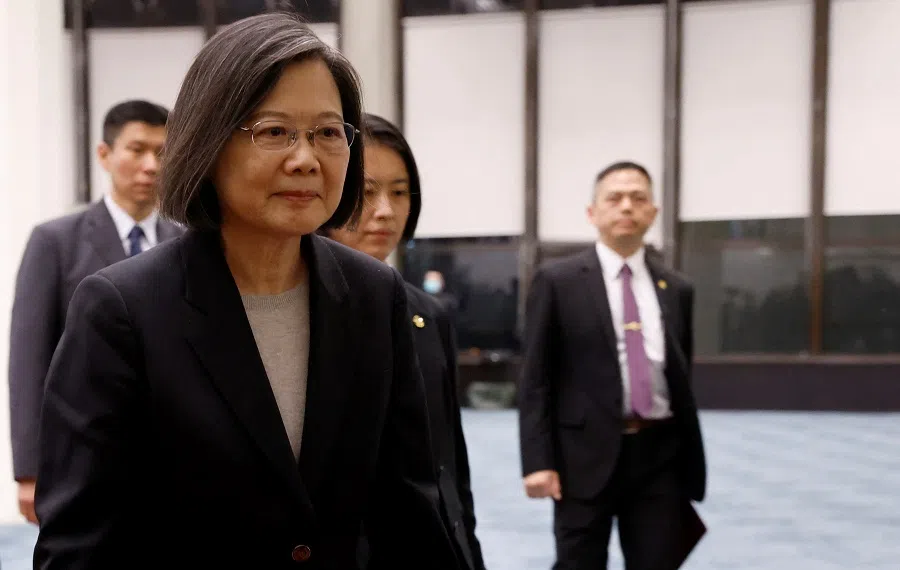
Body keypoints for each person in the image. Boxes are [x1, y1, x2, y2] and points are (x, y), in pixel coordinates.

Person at [34, 14, 459, 570]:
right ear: (208, 143)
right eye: (274, 131)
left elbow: (408, 507)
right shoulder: (122, 308)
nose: (306, 157)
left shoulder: (374, 294)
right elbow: (81, 543)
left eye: (328, 133)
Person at [517, 161, 707, 569]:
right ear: (593, 212)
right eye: (615, 198)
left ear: (653, 213)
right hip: (582, 456)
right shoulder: (558, 281)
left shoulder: (676, 288)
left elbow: (679, 374)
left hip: (659, 456)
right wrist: (538, 461)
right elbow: (536, 377)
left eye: (638, 199)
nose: (626, 207)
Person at [7, 99, 180, 525]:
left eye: (162, 153)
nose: (151, 166)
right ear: (104, 154)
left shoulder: (185, 244)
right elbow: (29, 357)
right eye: (137, 150)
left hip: (173, 455)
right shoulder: (55, 241)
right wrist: (29, 470)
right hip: (82, 450)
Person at [327, 113, 486, 570]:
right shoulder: (298, 309)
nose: (385, 211)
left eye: (399, 193)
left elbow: (450, 460)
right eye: (366, 191)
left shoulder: (428, 313)